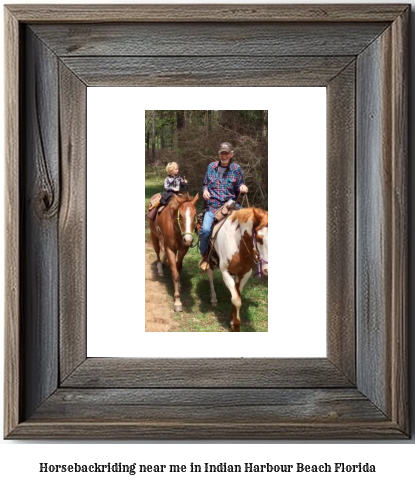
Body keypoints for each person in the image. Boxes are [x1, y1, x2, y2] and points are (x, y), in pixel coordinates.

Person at [199, 142, 248, 270]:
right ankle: (205, 256)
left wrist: (243, 187)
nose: (224, 155)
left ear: (231, 154)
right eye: (222, 153)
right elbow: (205, 183)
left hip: (230, 204)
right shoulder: (211, 167)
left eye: (226, 153)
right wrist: (205, 191)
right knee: (205, 231)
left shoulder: (236, 169)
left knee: (251, 222)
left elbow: (240, 185)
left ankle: (252, 254)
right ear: (219, 154)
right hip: (213, 206)